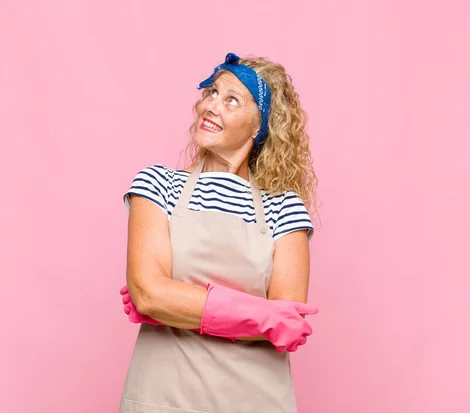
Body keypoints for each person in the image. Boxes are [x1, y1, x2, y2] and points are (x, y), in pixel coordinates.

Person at [118, 52, 320, 413]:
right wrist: (260, 314)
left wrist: (176, 302)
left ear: (258, 126)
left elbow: (287, 320)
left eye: (231, 100)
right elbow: (149, 293)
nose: (211, 105)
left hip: (254, 402)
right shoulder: (157, 184)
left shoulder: (284, 208)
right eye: (211, 92)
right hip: (162, 399)